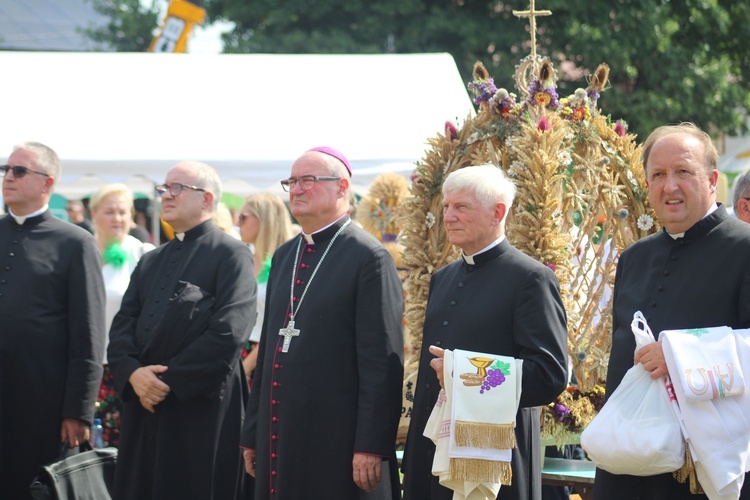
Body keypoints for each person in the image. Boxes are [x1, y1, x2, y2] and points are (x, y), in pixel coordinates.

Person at [593, 122, 750, 499]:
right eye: (658, 175)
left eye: (683, 172)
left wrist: (681, 357)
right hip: (627, 465)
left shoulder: (745, 249)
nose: (670, 186)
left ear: (712, 179)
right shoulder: (634, 258)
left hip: (703, 470)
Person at [240, 147, 404, 499]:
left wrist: (372, 445)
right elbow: (268, 351)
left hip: (338, 438)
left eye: (308, 180)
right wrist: (252, 432)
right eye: (292, 181)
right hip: (281, 435)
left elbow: (382, 362)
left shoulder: (369, 258)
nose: (296, 189)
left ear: (342, 187)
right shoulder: (285, 255)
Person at [401, 164, 569, 500]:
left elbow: (550, 374)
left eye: (461, 207)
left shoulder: (530, 279)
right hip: (436, 448)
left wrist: (461, 372)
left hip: (497, 454)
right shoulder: (443, 277)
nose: (449, 216)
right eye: (446, 206)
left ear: (498, 212)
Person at [107, 161, 257, 499]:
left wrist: (162, 382)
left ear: (205, 199)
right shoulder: (150, 260)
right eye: (163, 188)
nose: (166, 195)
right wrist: (133, 374)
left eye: (176, 188)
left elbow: (229, 332)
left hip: (197, 407)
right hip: (142, 403)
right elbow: (121, 328)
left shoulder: (232, 255)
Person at [0, 142, 106, 499]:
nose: (7, 177)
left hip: (42, 403)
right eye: (5, 169)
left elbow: (88, 333)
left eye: (18, 170)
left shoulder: (75, 242)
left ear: (47, 183)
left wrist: (78, 410)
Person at [90, 183, 155, 447]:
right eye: (109, 211)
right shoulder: (82, 252)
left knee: (126, 444)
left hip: (128, 367)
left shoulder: (145, 255)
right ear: (93, 214)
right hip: (90, 365)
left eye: (122, 211)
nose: (117, 218)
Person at [237, 193, 294, 385]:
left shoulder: (285, 265)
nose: (238, 223)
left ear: (264, 220)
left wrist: (246, 366)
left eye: (243, 217)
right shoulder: (243, 261)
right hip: (237, 352)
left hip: (265, 355)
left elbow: (279, 323)